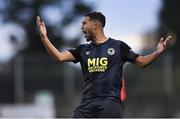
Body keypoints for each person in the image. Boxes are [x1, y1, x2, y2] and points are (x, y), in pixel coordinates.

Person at [36, 11, 172, 118]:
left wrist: (157, 53)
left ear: (96, 26)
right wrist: (44, 37)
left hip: (109, 104)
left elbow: (142, 62)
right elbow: (59, 57)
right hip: (86, 104)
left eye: (84, 23)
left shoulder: (118, 47)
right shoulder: (83, 50)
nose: (81, 27)